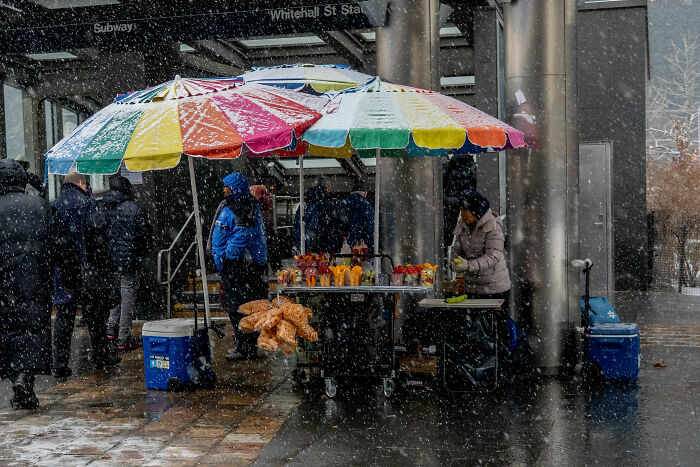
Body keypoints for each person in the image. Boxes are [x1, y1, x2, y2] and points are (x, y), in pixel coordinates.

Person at [0, 160, 79, 409]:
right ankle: (26, 379)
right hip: (35, 280)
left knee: (9, 330)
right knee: (32, 330)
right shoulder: (41, 207)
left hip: (4, 282)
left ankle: (17, 378)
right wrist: (70, 278)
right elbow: (63, 245)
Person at [51, 173, 121, 378]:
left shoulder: (54, 206)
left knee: (64, 316)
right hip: (88, 270)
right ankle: (100, 355)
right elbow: (98, 239)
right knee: (95, 316)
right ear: (80, 184)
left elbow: (53, 242)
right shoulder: (89, 204)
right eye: (86, 184)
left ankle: (60, 362)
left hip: (63, 271)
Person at [449, 191, 512, 364]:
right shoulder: (462, 225)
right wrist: (454, 262)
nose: (463, 213)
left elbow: (494, 257)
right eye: (461, 209)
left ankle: (500, 366)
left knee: (495, 330)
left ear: (476, 211)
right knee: (475, 331)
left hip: (495, 288)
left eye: (466, 210)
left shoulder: (493, 226)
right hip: (472, 287)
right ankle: (480, 367)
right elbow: (456, 249)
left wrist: (468, 266)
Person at [211, 173, 267, 361]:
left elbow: (244, 233)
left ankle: (245, 347)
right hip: (238, 265)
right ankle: (245, 343)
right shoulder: (238, 204)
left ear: (234, 187)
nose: (223, 189)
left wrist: (228, 255)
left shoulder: (242, 205)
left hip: (239, 267)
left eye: (226, 186)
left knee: (239, 308)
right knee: (239, 307)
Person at [103, 175, 154, 353]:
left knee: (115, 297)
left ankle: (110, 331)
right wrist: (141, 254)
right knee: (127, 299)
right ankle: (123, 338)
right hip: (129, 261)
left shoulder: (103, 206)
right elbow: (146, 235)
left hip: (110, 261)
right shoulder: (134, 208)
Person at [293, 175, 345, 254]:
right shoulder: (332, 203)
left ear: (313, 185)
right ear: (328, 188)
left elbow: (297, 224)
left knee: (309, 264)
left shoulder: (305, 203)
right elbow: (340, 223)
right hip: (328, 245)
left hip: (308, 244)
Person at [250, 184, 282, 272]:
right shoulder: (264, 217)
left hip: (250, 257)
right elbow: (271, 244)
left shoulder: (249, 213)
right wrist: (277, 266)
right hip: (259, 257)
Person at [343, 181, 375, 254]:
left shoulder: (343, 203)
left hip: (343, 247)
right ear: (365, 193)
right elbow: (370, 229)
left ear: (351, 193)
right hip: (360, 247)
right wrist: (371, 250)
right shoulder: (367, 206)